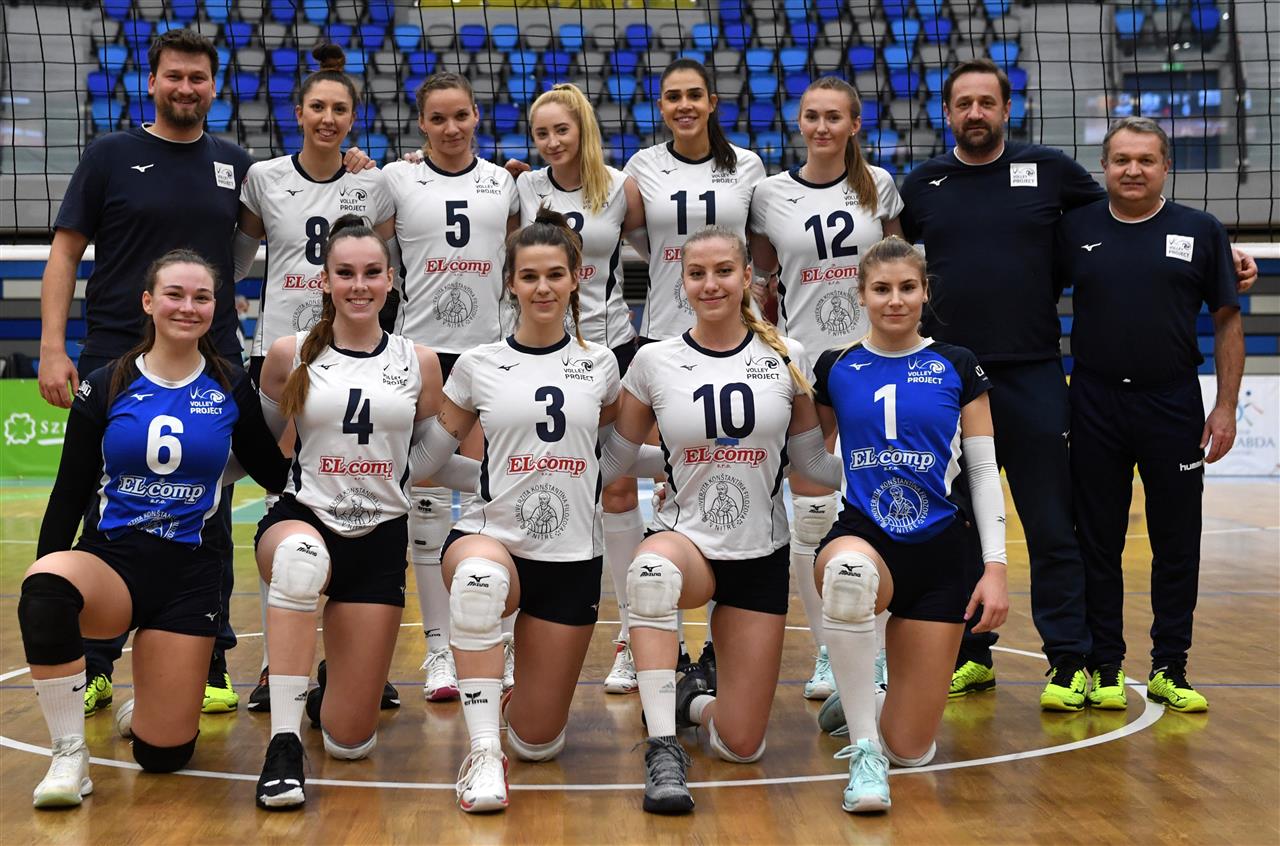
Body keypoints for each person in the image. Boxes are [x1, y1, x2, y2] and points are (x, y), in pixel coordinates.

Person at [899, 59, 1255, 710]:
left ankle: (1071, 661)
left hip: (1037, 373)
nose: (975, 112)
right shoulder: (922, 185)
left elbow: (1134, 225)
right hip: (949, 377)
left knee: (1054, 527)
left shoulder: (1052, 173)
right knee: (956, 525)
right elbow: (889, 254)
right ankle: (973, 655)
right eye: (963, 103)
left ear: (1007, 110)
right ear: (946, 112)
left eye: (987, 102)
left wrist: (1221, 256)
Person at [18, 250, 288, 809]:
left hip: (190, 576)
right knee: (45, 588)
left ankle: (151, 707)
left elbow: (273, 472)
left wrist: (312, 419)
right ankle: (69, 754)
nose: (188, 307)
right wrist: (43, 569)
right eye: (174, 294)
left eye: (201, 297)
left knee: (163, 757)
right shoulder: (106, 383)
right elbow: (69, 491)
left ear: (215, 307)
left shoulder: (230, 386)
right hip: (112, 564)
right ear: (148, 301)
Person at [600, 226, 837, 814]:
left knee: (740, 746)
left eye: (724, 271)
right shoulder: (654, 360)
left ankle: (691, 701)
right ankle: (661, 749)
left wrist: (887, 466)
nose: (711, 284)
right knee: (651, 575)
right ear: (681, 282)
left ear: (747, 277)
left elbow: (810, 463)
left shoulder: (787, 355)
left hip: (760, 552)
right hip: (686, 542)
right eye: (697, 273)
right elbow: (617, 463)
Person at [252, 215, 475, 810]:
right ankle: (282, 744)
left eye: (372, 272)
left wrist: (499, 480)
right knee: (299, 562)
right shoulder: (290, 354)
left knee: (350, 741)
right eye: (345, 273)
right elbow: (254, 448)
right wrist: (190, 484)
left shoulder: (419, 361)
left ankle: (332, 686)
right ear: (324, 281)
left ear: (391, 279)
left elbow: (427, 460)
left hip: (379, 537)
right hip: (303, 519)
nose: (359, 285)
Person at [425, 209, 624, 813]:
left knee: (539, 743)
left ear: (576, 279)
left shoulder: (602, 364)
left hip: (572, 555)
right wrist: (493, 479)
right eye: (530, 276)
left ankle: (513, 712)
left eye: (555, 275)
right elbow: (428, 462)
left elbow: (611, 454)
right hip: (491, 538)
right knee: (478, 585)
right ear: (510, 282)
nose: (543, 288)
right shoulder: (478, 365)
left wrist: (688, 466)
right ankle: (483, 752)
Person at [807, 236, 1008, 813]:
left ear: (924, 293)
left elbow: (983, 472)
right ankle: (864, 754)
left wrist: (995, 567)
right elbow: (811, 462)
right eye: (881, 289)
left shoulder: (957, 363)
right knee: (848, 577)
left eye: (907, 288)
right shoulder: (837, 366)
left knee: (912, 750)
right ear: (861, 295)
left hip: (942, 551)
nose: (894, 300)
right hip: (863, 534)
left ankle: (863, 702)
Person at [1057, 117, 1242, 713]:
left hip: (1172, 402)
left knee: (1177, 542)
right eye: (1121, 160)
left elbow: (1227, 320)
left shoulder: (1201, 229)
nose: (1132, 170)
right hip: (1094, 401)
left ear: (1166, 166)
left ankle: (1170, 666)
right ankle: (1104, 667)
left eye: (1145, 160)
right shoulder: (1075, 228)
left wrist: (1226, 407)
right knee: (1098, 541)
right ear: (1104, 167)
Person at [233, 43, 396, 713]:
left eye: (340, 110)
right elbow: (238, 258)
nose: (328, 119)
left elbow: (385, 264)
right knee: (286, 494)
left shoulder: (373, 183)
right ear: (298, 112)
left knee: (357, 491)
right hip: (283, 355)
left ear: (353, 119)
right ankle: (277, 664)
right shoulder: (264, 178)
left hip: (353, 354)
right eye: (318, 108)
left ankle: (355, 661)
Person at [749, 76, 905, 701]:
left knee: (880, 501)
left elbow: (898, 271)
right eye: (811, 116)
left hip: (872, 362)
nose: (821, 127)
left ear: (854, 124)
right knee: (812, 508)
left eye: (833, 117)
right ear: (799, 122)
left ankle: (876, 650)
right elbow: (761, 282)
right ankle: (825, 650)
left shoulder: (880, 186)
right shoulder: (770, 194)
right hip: (805, 365)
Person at [379, 72, 521, 702]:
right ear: (421, 124)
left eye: (460, 115)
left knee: (496, 499)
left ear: (476, 116)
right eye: (437, 118)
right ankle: (439, 650)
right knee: (429, 499)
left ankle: (496, 641)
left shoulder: (505, 183)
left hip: (491, 354)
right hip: (423, 356)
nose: (450, 127)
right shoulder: (397, 179)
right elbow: (367, 246)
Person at [624, 57, 766, 677]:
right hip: (663, 335)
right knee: (671, 486)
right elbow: (627, 232)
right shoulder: (642, 167)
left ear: (712, 103)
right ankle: (657, 643)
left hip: (736, 339)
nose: (683, 105)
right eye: (672, 97)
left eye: (693, 95)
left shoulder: (749, 167)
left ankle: (716, 646)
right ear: (661, 107)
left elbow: (761, 248)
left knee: (723, 477)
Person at [515, 83, 649, 695]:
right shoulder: (525, 187)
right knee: (535, 480)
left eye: (561, 130)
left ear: (583, 130)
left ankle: (632, 637)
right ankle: (517, 636)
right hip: (541, 352)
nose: (551, 142)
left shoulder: (621, 189)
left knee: (617, 488)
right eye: (541, 133)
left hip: (608, 345)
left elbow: (658, 251)